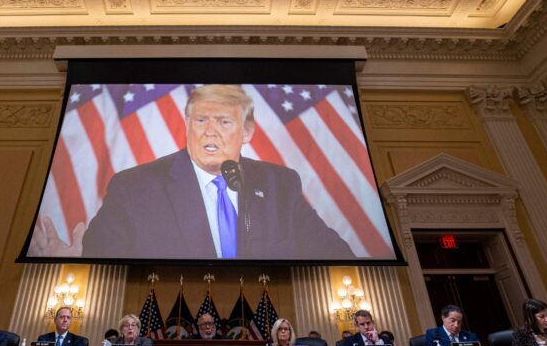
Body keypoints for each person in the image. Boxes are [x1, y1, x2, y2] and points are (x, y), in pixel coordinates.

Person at [64, 84, 355, 260]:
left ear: (248, 132)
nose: (210, 132)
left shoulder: (279, 183)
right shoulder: (134, 186)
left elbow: (335, 253)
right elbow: (100, 254)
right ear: (187, 124)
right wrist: (74, 262)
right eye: (201, 119)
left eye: (224, 122)